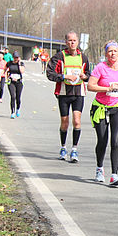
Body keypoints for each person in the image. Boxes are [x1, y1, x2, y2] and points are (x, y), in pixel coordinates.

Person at [87, 41, 118, 186]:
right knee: (102, 141)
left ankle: (114, 175)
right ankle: (99, 169)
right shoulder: (100, 68)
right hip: (101, 108)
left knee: (115, 140)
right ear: (106, 53)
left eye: (115, 51)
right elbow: (90, 86)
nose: (113, 54)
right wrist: (107, 88)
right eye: (110, 51)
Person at [46, 32, 91, 162]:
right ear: (66, 42)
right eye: (70, 40)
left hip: (78, 93)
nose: (72, 43)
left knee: (77, 121)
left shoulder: (83, 57)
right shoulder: (59, 57)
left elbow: (88, 73)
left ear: (78, 42)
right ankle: (63, 147)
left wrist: (85, 76)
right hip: (64, 93)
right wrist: (64, 77)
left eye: (74, 40)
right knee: (64, 123)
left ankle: (75, 150)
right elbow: (50, 74)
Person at [5, 51, 25, 119]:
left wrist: (19, 64)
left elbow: (22, 71)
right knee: (13, 96)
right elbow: (4, 70)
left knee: (18, 97)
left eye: (17, 58)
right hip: (11, 82)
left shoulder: (21, 64)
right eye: (14, 58)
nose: (15, 59)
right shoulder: (9, 63)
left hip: (19, 82)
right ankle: (12, 112)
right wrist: (6, 77)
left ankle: (18, 109)